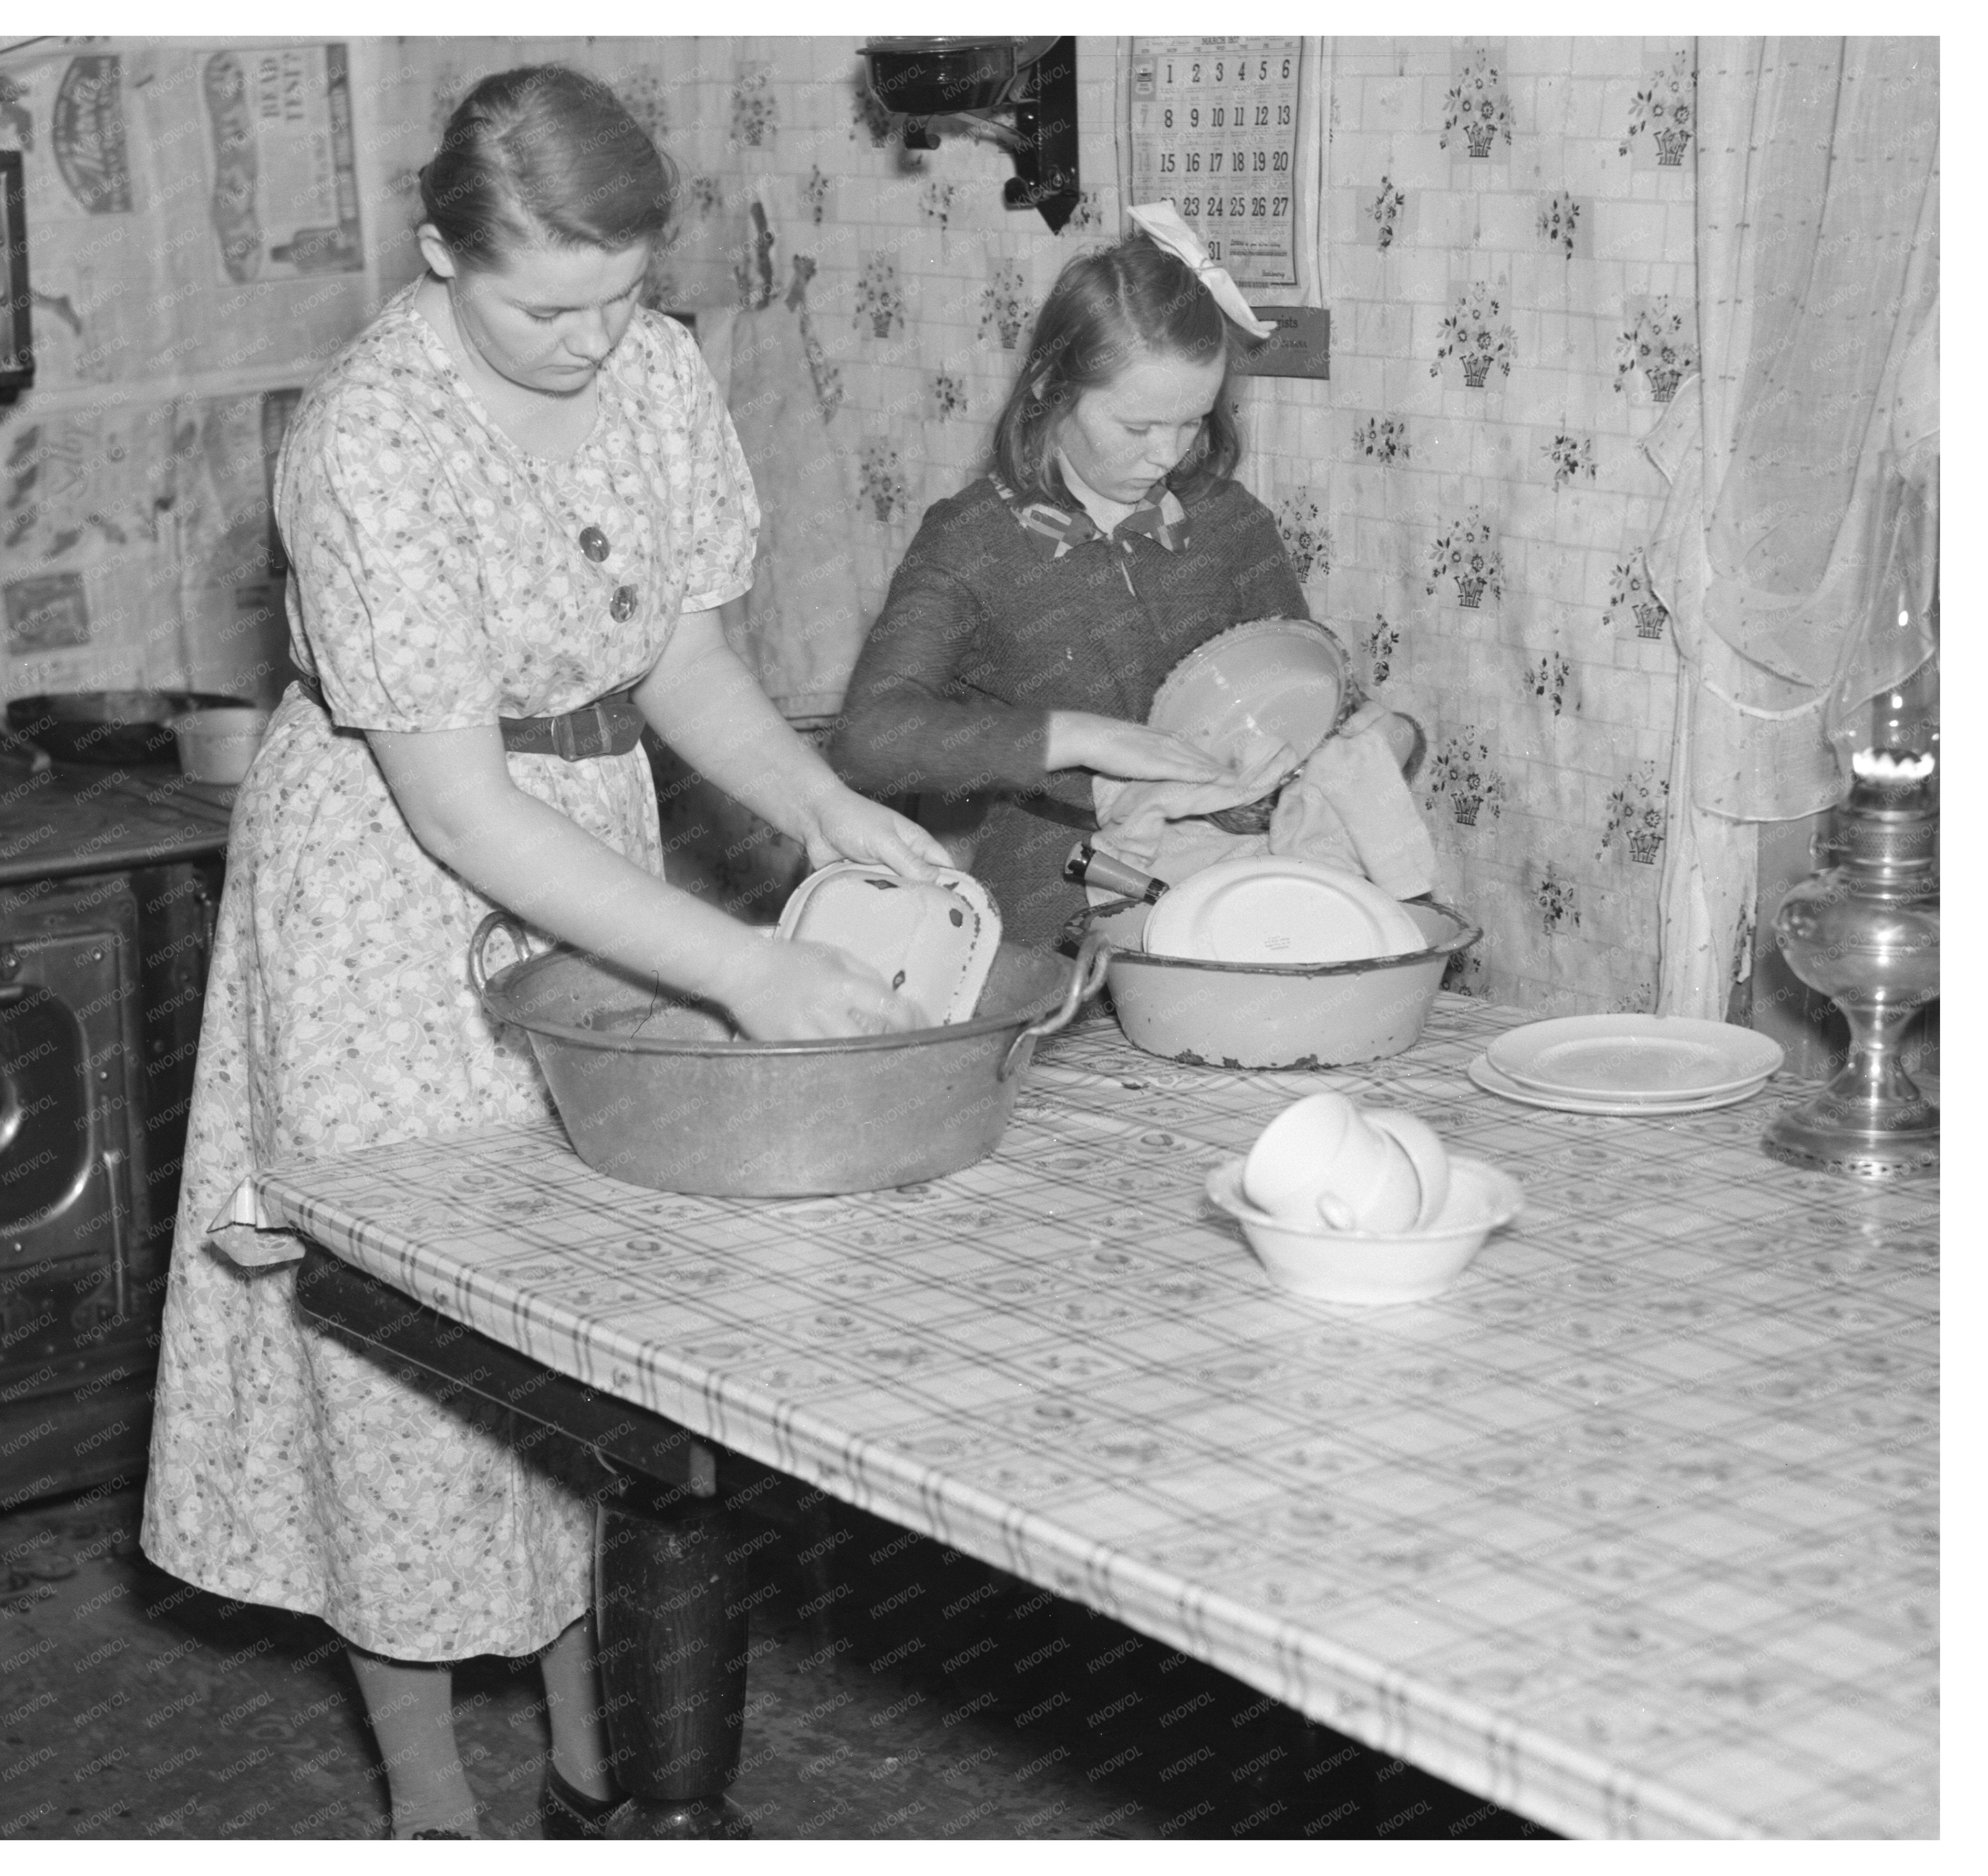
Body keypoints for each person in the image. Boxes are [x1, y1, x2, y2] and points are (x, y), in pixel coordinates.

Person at [138, 67, 944, 1841]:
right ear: (440, 253)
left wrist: (818, 810)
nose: (599, 341)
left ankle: (605, 1766)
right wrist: (735, 971)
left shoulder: (650, 373)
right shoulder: (368, 434)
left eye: (627, 294)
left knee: (596, 1336)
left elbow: (678, 658)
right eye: (548, 305)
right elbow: (459, 814)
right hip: (388, 895)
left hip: (596, 847)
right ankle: (431, 1804)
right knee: (404, 1339)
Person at [827, 205, 1313, 952]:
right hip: (1047, 918)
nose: (1169, 455)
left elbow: (1297, 681)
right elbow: (871, 736)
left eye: (1193, 422)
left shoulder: (1227, 522)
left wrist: (1294, 761)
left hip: (1225, 905)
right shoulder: (975, 539)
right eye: (1138, 428)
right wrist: (1082, 740)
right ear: (1053, 386)